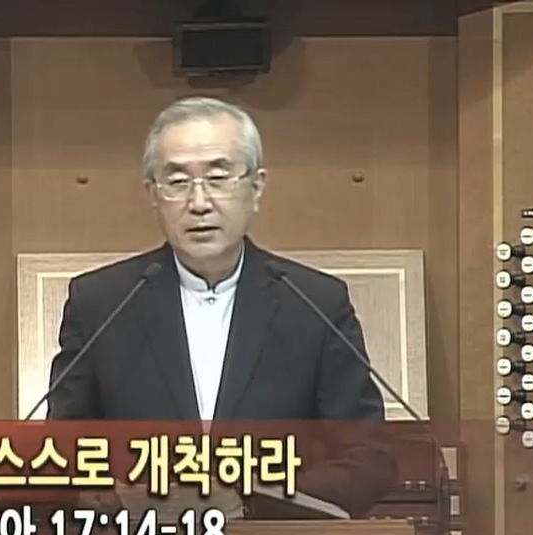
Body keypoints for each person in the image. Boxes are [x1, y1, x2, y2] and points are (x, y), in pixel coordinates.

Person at [48, 96, 396, 513]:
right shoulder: (102, 303)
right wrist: (125, 501)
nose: (199, 203)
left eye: (217, 178)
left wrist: (256, 499)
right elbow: (61, 452)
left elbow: (368, 458)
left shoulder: (315, 304)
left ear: (256, 187)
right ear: (153, 194)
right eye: (178, 182)